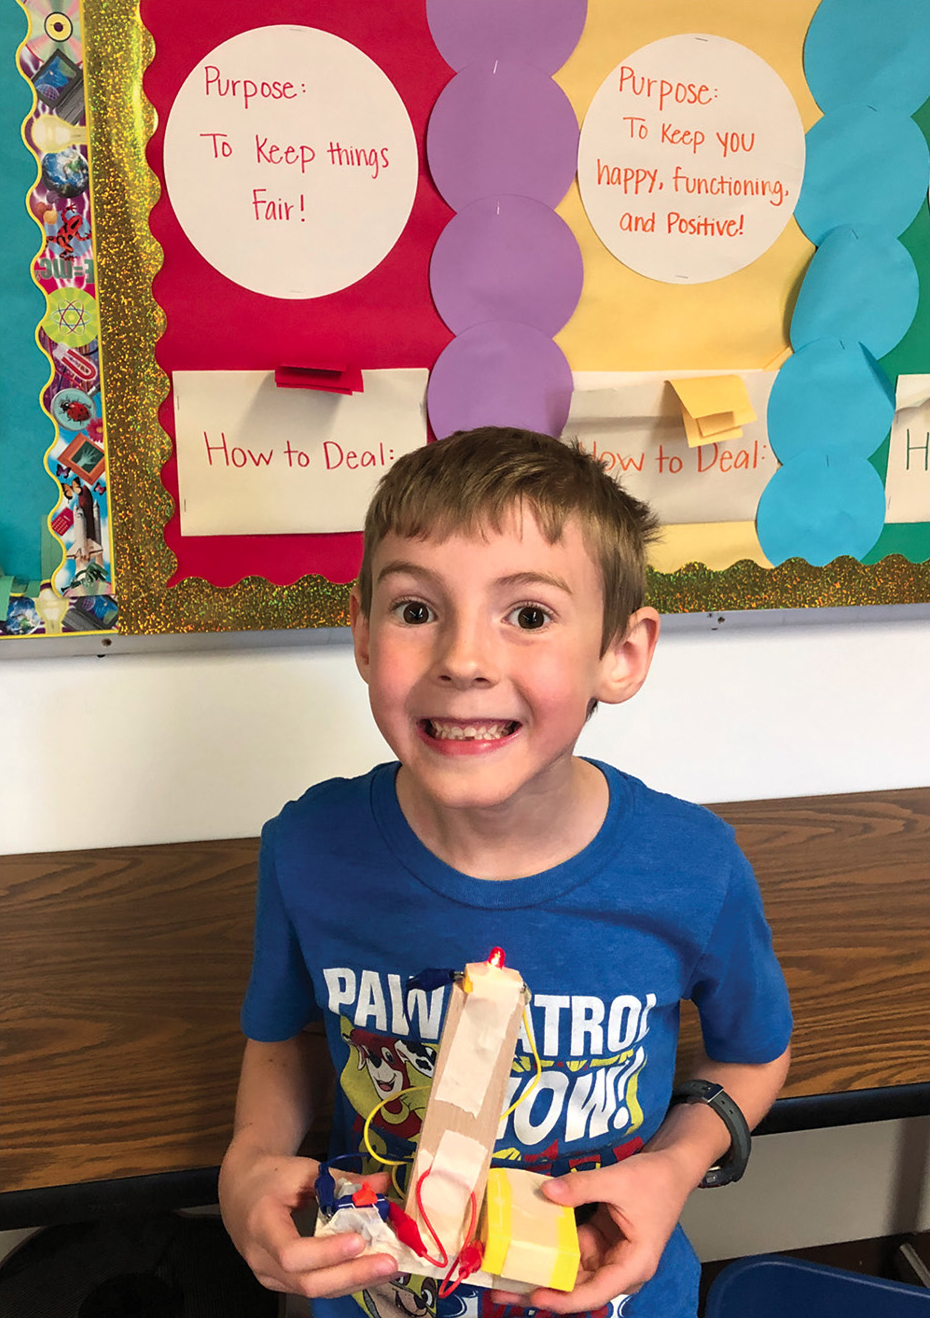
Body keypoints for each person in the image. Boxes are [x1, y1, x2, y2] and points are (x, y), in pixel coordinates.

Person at [219, 426, 792, 1318]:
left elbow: (754, 1056)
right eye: (417, 610)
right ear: (364, 637)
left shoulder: (691, 868)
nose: (464, 659)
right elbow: (279, 1041)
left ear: (622, 653)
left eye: (528, 615)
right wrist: (248, 1161)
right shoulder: (307, 850)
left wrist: (676, 1167)